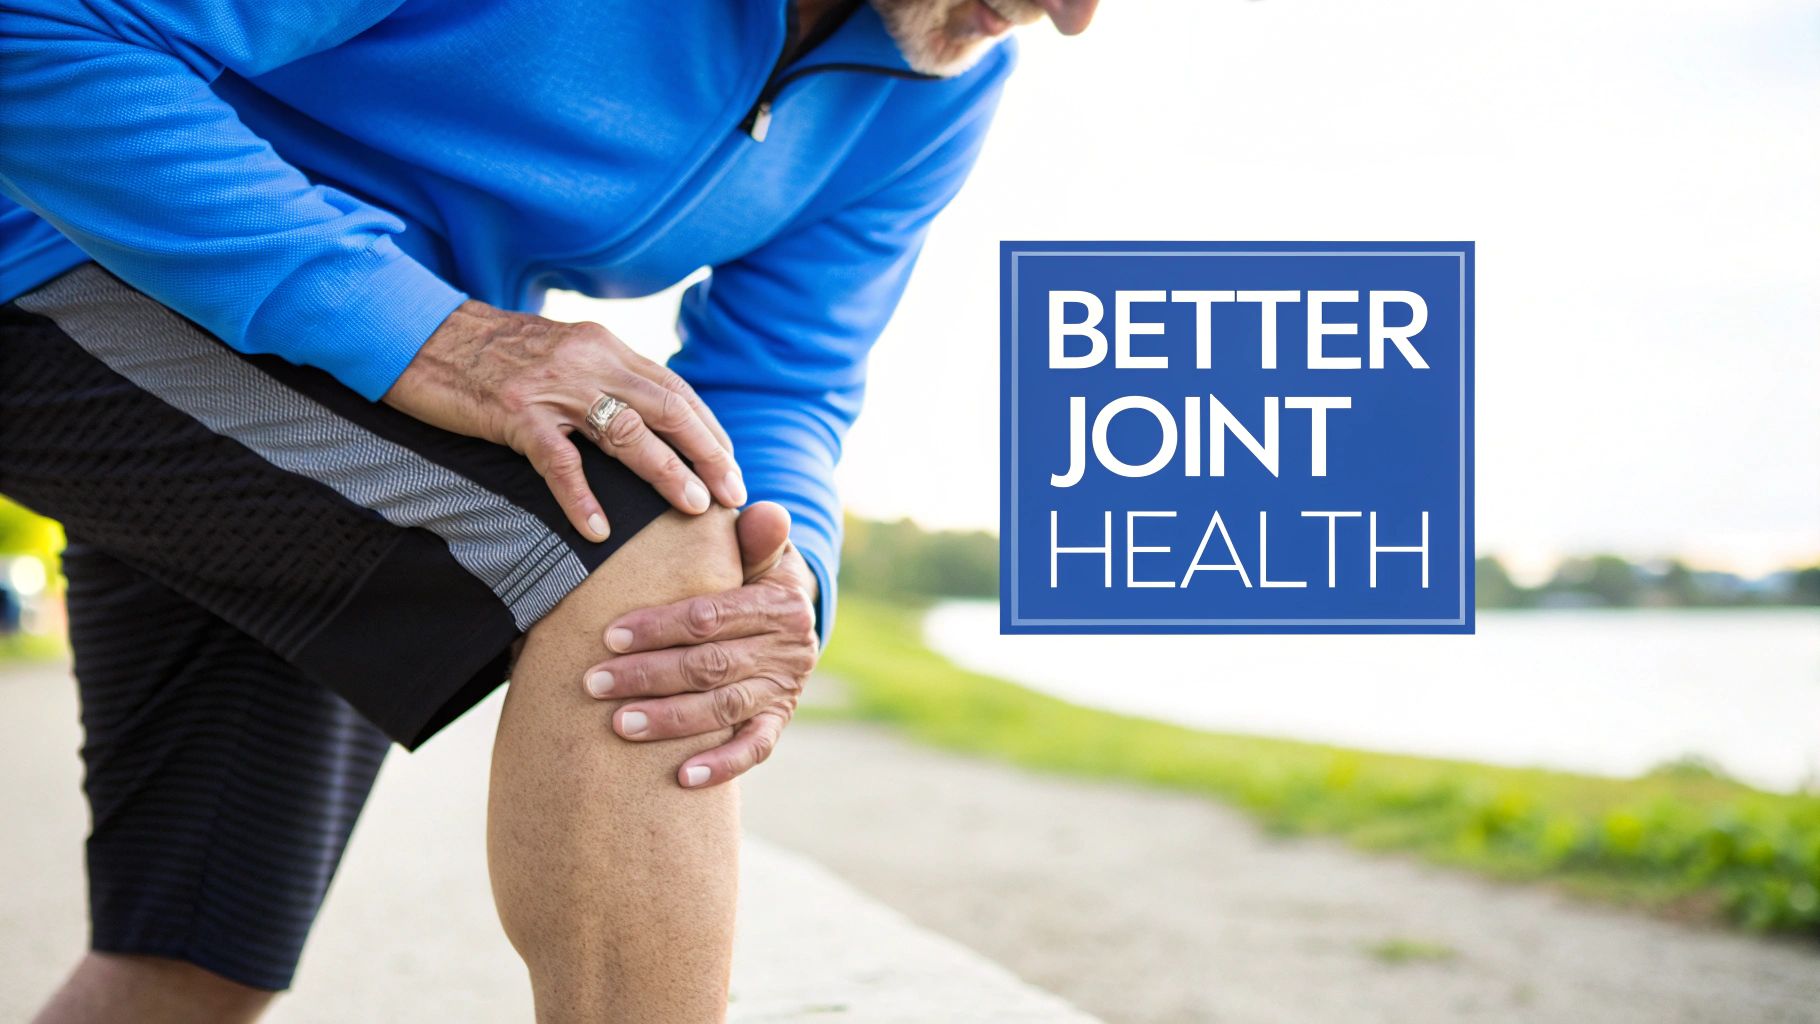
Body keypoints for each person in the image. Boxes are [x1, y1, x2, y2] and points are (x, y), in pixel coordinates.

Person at [0, 0, 1099, 1020]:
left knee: (193, 961)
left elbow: (787, 377)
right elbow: (40, 30)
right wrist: (438, 337)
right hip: (65, 239)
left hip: (342, 360)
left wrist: (786, 572)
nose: (1076, 13)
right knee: (638, 548)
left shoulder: (941, 71)